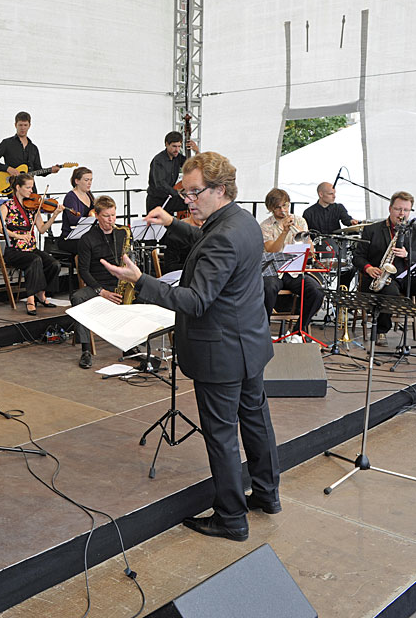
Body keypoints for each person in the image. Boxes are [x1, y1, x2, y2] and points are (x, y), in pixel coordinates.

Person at [102, 151, 281, 542]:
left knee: (221, 436)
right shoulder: (242, 221)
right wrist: (171, 225)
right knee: (255, 420)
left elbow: (196, 300)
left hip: (220, 351)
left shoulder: (224, 235)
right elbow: (206, 239)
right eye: (185, 193)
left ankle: (231, 518)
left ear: (219, 190)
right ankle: (267, 494)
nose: (188, 200)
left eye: (194, 193)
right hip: (249, 343)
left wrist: (141, 282)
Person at [354, 191, 416, 345]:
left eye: (406, 210)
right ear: (390, 208)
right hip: (382, 276)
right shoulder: (372, 230)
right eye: (398, 209)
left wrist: (408, 255)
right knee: (389, 291)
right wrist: (368, 268)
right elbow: (358, 256)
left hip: (410, 276)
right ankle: (381, 330)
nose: (402, 214)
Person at [69, 195, 128, 369]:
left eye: (113, 215)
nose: (111, 220)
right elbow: (84, 271)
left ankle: (131, 346)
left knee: (147, 294)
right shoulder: (87, 238)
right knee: (78, 298)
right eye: (106, 216)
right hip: (99, 286)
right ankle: (86, 350)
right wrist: (101, 291)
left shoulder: (122, 233)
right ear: (96, 215)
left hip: (119, 284)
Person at [0, 173, 64, 315]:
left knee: (54, 264)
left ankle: (41, 293)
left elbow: (42, 229)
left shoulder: (33, 207)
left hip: (30, 248)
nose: (31, 191)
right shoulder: (7, 206)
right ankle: (30, 298)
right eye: (28, 187)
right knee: (35, 260)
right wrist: (17, 235)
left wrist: (55, 215)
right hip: (14, 250)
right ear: (18, 187)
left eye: (32, 187)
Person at [260, 188, 325, 331]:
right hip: (274, 272)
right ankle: (264, 330)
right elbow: (272, 249)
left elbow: (310, 252)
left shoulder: (299, 220)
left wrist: (303, 235)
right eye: (278, 207)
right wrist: (284, 232)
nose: (283, 210)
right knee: (268, 288)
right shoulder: (266, 226)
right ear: (271, 208)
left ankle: (298, 330)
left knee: (317, 291)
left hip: (294, 272)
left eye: (285, 205)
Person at [0, 111, 59, 188]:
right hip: (14, 187)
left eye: (25, 125)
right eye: (20, 125)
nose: (23, 128)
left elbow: (38, 170)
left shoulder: (33, 148)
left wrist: (50, 170)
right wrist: (8, 169)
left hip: (30, 188)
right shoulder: (7, 143)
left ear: (29, 126)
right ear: (15, 125)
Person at [146, 130, 199, 213]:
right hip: (156, 200)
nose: (177, 149)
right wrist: (177, 192)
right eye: (174, 146)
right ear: (166, 144)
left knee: (194, 203)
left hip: (170, 197)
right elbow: (160, 184)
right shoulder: (158, 160)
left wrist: (196, 151)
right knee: (156, 225)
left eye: (179, 146)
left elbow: (192, 166)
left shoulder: (178, 157)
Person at [57, 166, 96, 254]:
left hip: (85, 236)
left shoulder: (89, 194)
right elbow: (73, 220)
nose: (89, 183)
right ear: (77, 181)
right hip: (69, 238)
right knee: (89, 246)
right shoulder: (71, 197)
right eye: (86, 180)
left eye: (91, 180)